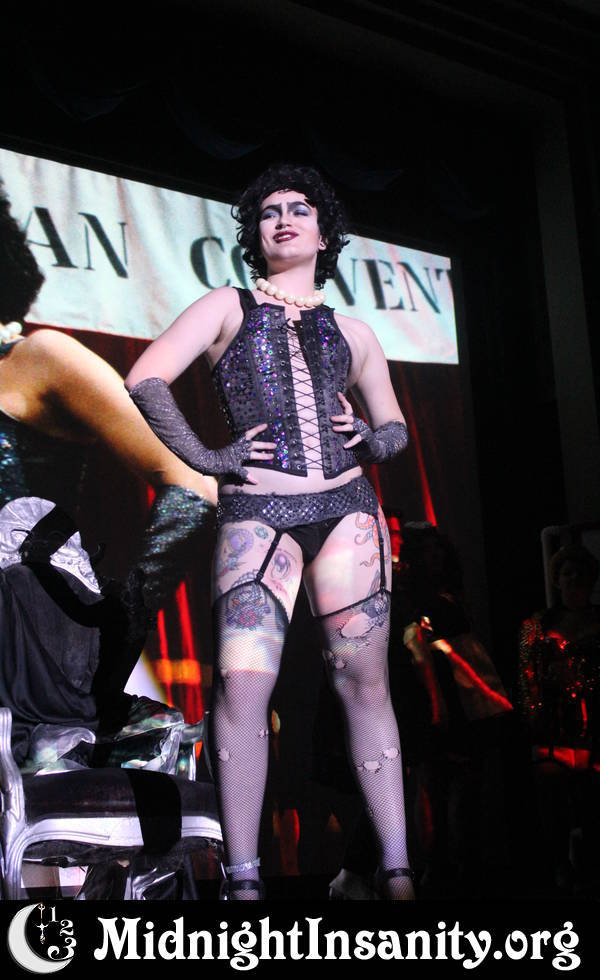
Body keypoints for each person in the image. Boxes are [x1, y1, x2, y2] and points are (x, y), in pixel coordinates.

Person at [125, 163, 413, 899]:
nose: (283, 219)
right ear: (255, 235)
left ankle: (398, 872)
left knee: (366, 686)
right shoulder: (226, 305)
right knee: (242, 689)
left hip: (347, 513)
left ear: (324, 233)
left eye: (299, 209)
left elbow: (394, 427)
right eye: (268, 212)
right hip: (259, 518)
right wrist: (208, 458)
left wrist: (371, 439)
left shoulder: (354, 331)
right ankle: (245, 881)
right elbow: (145, 377)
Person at [519, 543, 600, 894]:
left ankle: (591, 867)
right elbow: (526, 677)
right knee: (553, 802)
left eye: (581, 573)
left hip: (595, 723)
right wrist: (534, 717)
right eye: (568, 573)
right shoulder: (538, 624)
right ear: (557, 579)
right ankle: (560, 867)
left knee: (593, 800)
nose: (575, 579)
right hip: (553, 725)